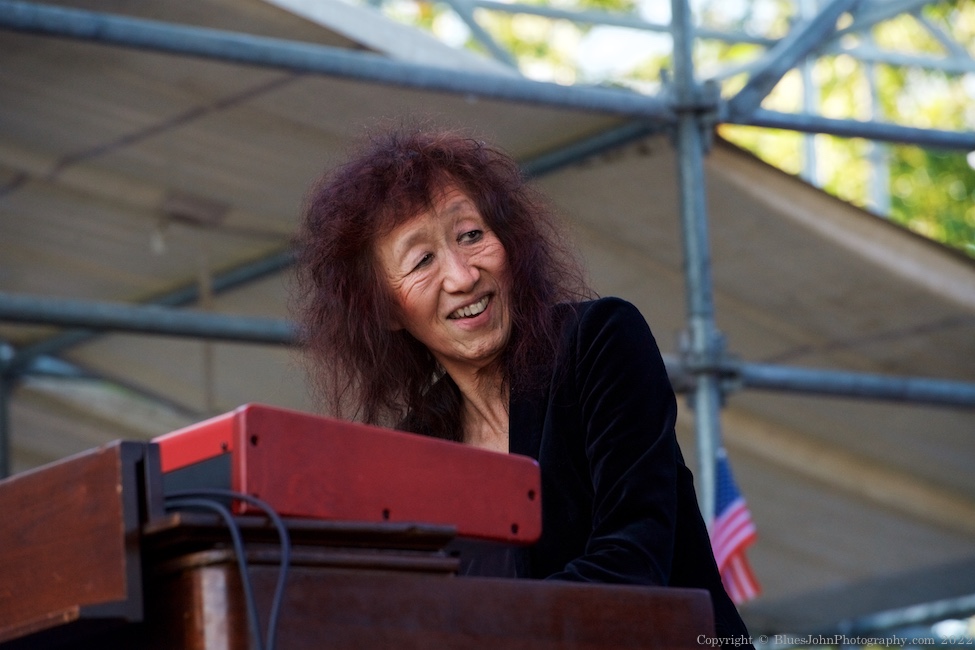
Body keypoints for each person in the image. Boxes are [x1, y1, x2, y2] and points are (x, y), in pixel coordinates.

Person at [294, 126, 751, 642]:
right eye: (422, 260)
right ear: (385, 311)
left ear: (508, 240)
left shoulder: (599, 340)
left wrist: (478, 628)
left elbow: (633, 563)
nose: (463, 276)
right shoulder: (417, 446)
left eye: (471, 235)